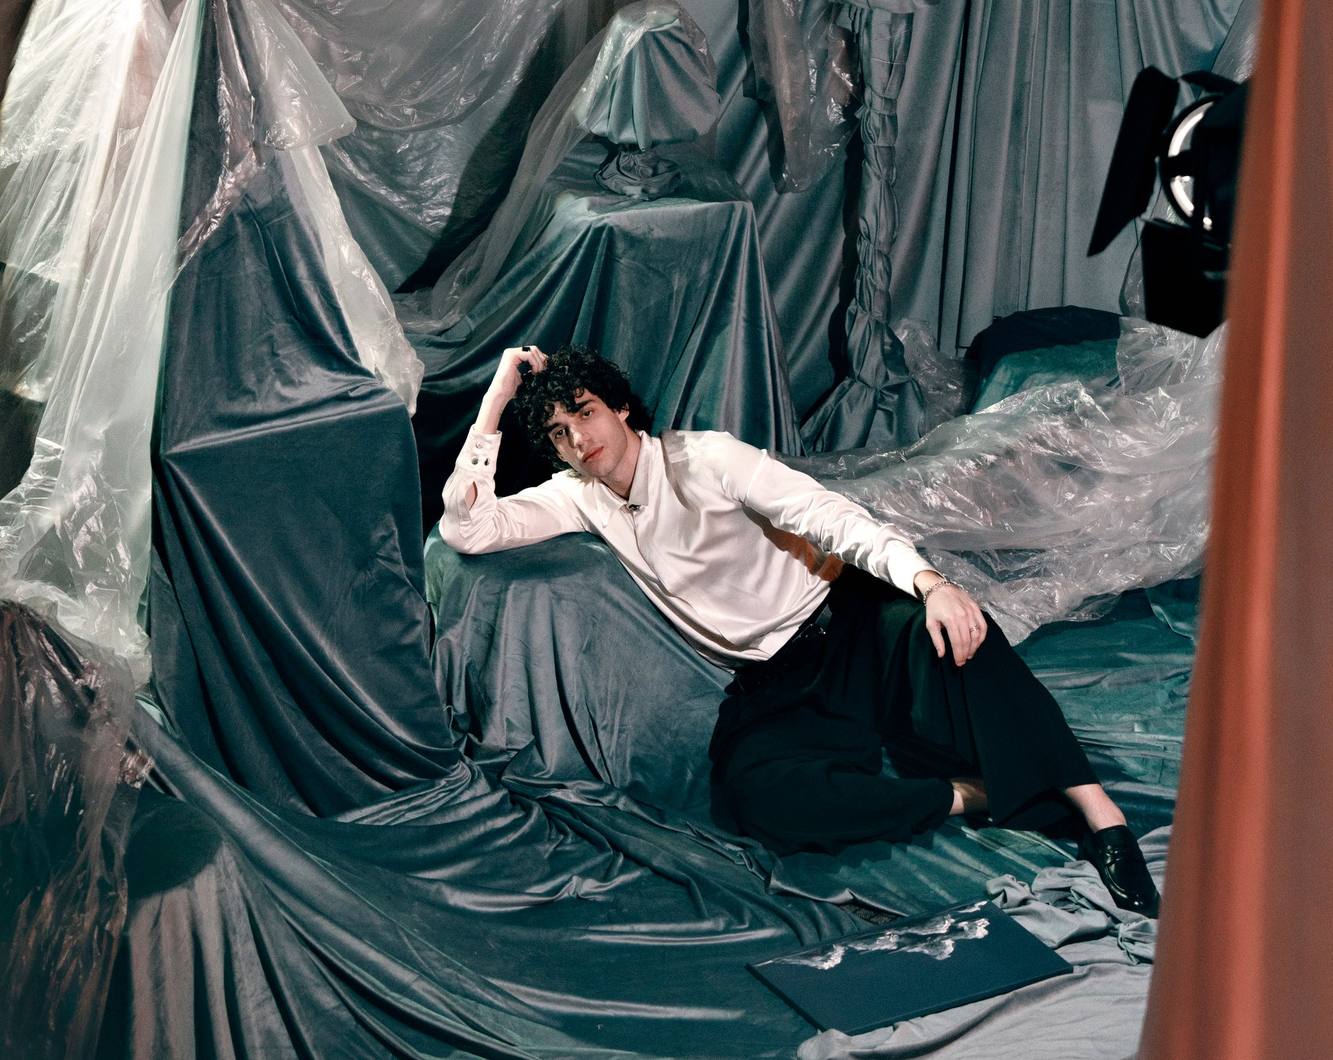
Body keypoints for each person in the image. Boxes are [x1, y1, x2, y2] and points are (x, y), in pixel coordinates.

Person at [438, 342, 1160, 915]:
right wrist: (496, 400)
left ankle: (1101, 818)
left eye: (585, 413)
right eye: (559, 433)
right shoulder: (577, 496)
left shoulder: (708, 457)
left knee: (964, 635)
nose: (578, 438)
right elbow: (468, 527)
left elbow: (830, 517)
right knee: (758, 799)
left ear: (621, 408)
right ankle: (968, 794)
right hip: (776, 678)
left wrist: (933, 584)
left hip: (852, 622)